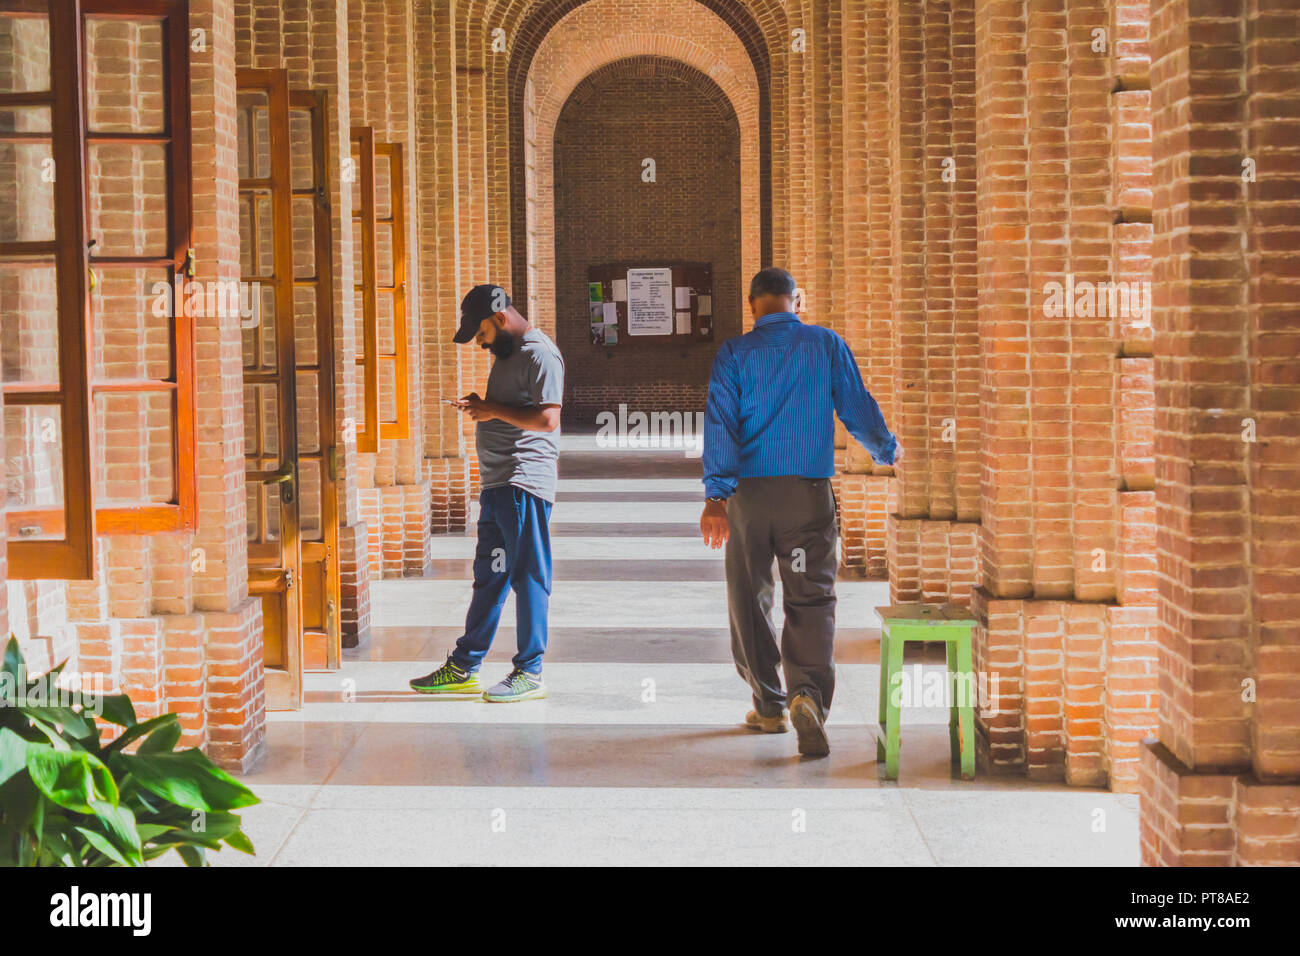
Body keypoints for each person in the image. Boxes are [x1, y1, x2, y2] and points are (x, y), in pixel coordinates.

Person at [700, 267, 902, 756]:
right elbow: (856, 405)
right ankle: (806, 695)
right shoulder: (825, 345)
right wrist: (886, 450)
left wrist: (716, 497)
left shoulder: (733, 354)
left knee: (749, 597)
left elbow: (720, 424)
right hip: (807, 497)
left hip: (749, 499)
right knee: (810, 597)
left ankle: (769, 705)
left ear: (753, 306)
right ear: (797, 301)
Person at [410, 284, 565, 702]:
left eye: (480, 334)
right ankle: (465, 666)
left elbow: (548, 420)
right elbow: (513, 407)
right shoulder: (509, 353)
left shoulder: (539, 353)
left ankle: (530, 671)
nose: (479, 344)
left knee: (528, 575)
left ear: (499, 316)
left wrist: (492, 410)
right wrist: (483, 404)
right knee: (490, 578)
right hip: (498, 485)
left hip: (523, 483)